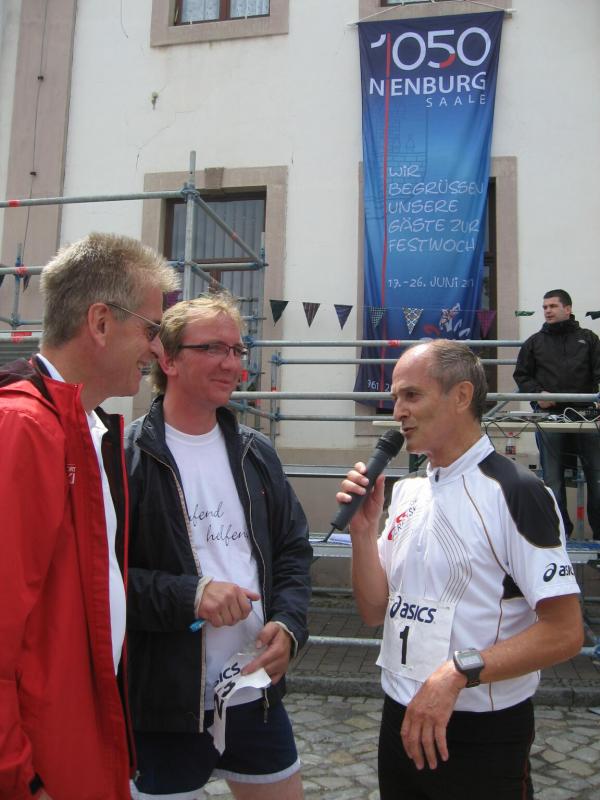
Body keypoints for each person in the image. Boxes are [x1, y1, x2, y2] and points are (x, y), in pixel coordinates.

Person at [337, 340, 584, 800]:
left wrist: (457, 672)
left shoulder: (516, 491)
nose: (398, 411)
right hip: (401, 714)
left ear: (462, 396)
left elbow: (566, 632)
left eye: (412, 395)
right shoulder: (408, 491)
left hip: (480, 730)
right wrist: (362, 532)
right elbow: (373, 611)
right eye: (395, 397)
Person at [0, 232, 177, 800]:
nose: (158, 350)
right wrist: (19, 778)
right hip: (43, 766)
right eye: (151, 329)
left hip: (78, 745)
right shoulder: (24, 427)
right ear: (100, 323)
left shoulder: (86, 427)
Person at [125, 293, 312, 800]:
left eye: (237, 349)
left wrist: (289, 626)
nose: (232, 364)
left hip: (255, 691)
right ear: (168, 360)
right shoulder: (126, 457)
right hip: (166, 705)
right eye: (213, 348)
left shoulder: (256, 451)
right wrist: (192, 595)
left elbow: (293, 551)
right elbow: (103, 580)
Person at [513, 289, 600, 539]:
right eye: (544, 307)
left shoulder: (589, 339)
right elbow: (522, 375)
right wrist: (538, 393)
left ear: (568, 309)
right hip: (549, 419)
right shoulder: (534, 342)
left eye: (552, 306)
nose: (547, 311)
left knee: (597, 477)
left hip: (586, 416)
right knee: (552, 480)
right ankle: (560, 535)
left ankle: (599, 535)